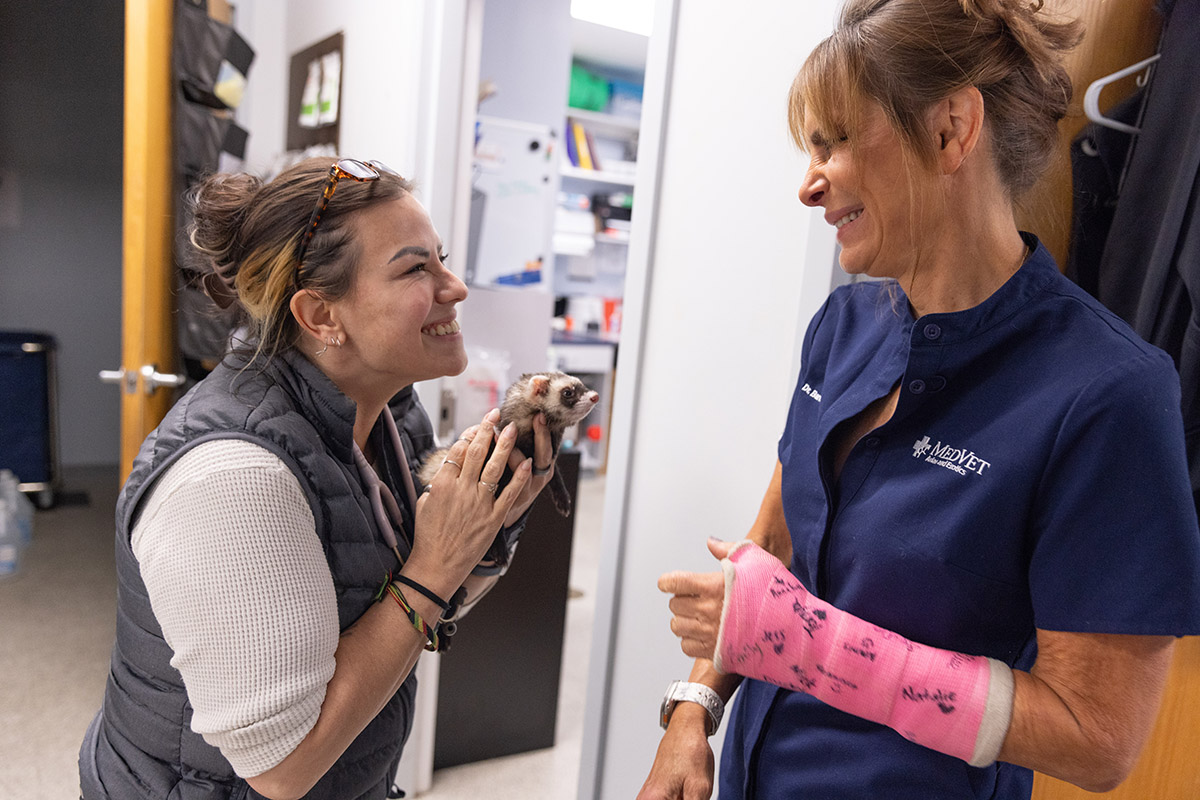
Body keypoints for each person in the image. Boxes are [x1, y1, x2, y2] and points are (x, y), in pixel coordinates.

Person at [644, 1, 1200, 798]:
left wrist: (818, 648)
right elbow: (772, 549)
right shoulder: (842, 325)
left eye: (834, 141)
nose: (809, 184)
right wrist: (694, 710)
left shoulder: (1109, 393)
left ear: (950, 131)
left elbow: (1100, 739)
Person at [78, 157, 561, 800]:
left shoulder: (389, 409)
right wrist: (437, 563)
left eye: (441, 259)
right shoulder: (231, 479)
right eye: (417, 267)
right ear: (320, 316)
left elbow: (424, 611)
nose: (456, 287)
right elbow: (282, 768)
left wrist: (490, 519)